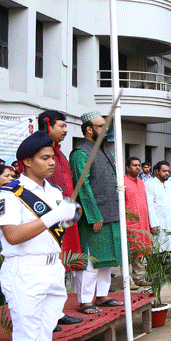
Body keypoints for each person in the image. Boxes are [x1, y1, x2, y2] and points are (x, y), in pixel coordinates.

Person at [0, 131, 78, 341]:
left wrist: (68, 215)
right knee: (26, 339)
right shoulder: (8, 195)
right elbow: (13, 236)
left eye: (53, 156)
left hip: (52, 270)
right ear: (26, 162)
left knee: (42, 338)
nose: (52, 162)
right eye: (45, 158)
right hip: (24, 271)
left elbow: (58, 225)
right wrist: (54, 216)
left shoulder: (52, 191)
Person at [70, 110, 123, 315]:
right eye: (101, 126)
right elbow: (83, 186)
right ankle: (84, 301)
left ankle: (102, 296)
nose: (106, 129)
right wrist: (94, 215)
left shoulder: (105, 152)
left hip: (110, 214)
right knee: (91, 260)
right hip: (94, 218)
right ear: (89, 129)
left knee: (107, 260)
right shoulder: (80, 153)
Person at [38, 110, 84, 326]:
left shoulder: (61, 155)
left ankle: (56, 312)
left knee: (61, 267)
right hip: (47, 220)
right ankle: (47, 316)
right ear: (48, 125)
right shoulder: (36, 153)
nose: (66, 130)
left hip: (64, 217)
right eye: (61, 126)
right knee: (48, 268)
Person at [123, 157, 156, 288]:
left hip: (142, 223)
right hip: (129, 224)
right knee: (129, 253)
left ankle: (139, 278)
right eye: (134, 165)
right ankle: (128, 280)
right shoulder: (122, 182)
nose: (138, 168)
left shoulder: (141, 182)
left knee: (140, 251)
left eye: (138, 165)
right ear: (127, 167)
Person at [147, 160, 171, 254]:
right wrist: (153, 224)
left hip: (170, 222)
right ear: (156, 171)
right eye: (164, 171)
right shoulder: (149, 184)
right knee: (158, 249)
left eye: (168, 171)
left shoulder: (169, 184)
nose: (167, 173)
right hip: (158, 222)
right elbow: (150, 205)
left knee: (170, 250)